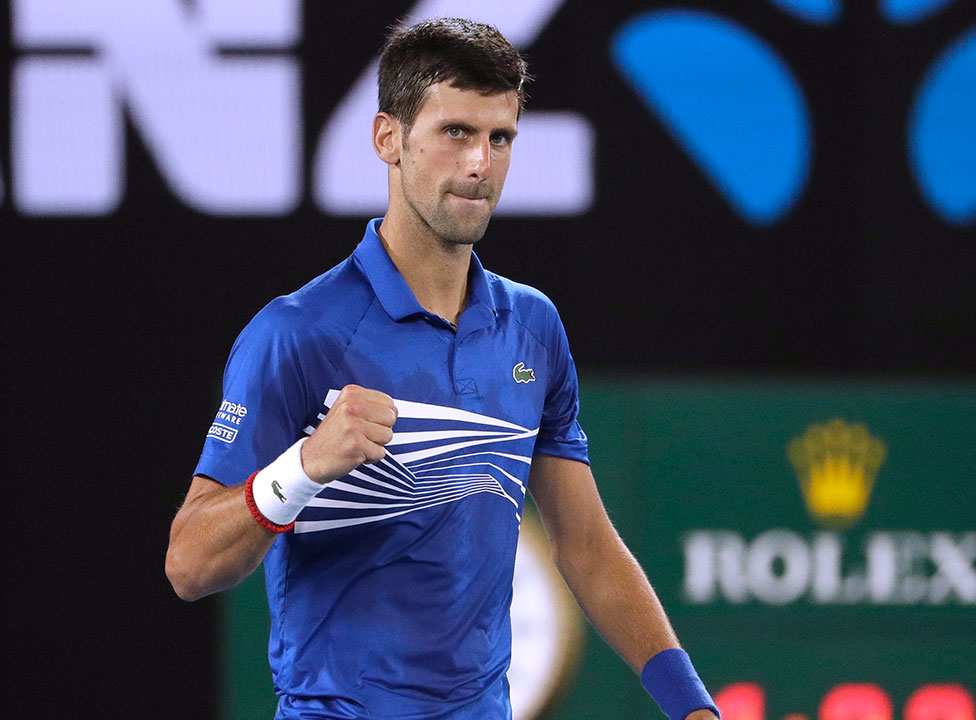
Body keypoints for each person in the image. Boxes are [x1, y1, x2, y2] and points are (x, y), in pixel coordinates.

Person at [165, 17, 720, 720]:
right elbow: (189, 565)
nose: (480, 164)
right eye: (456, 132)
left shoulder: (533, 328)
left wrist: (693, 707)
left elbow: (586, 549)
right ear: (387, 139)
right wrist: (303, 466)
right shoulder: (297, 333)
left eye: (500, 138)